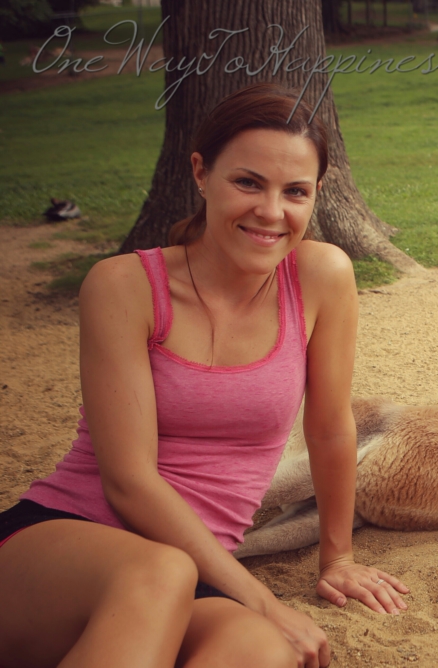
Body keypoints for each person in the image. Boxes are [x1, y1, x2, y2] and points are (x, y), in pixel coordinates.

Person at [0, 83, 408, 668]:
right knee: (165, 572)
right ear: (200, 173)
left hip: (198, 570)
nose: (271, 211)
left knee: (261, 651)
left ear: (317, 194)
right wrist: (262, 600)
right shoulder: (124, 286)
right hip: (60, 542)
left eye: (295, 191)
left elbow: (329, 429)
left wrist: (337, 558)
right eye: (248, 182)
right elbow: (128, 481)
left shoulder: (321, 277)